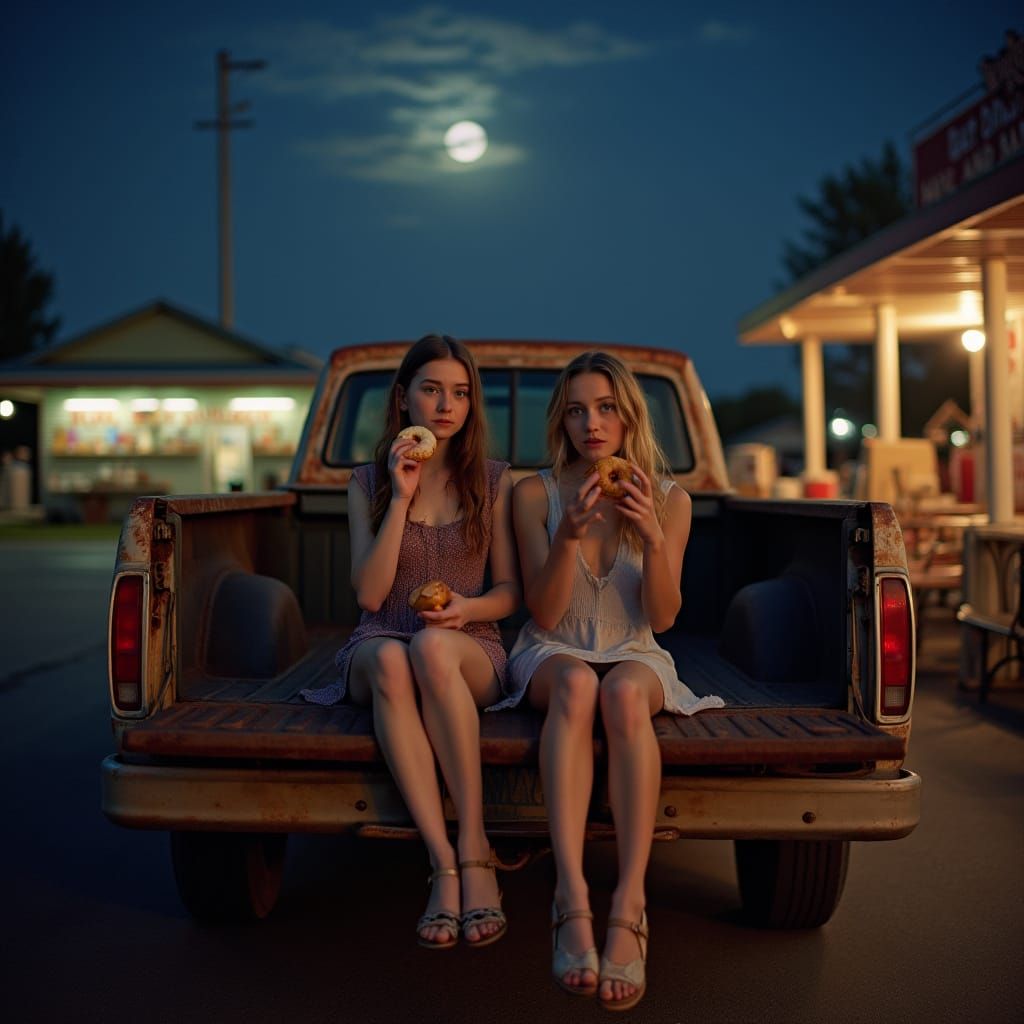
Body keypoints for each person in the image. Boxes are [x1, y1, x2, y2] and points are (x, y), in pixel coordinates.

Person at [506, 351, 723, 1011]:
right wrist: (567, 537)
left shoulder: (670, 499)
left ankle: (629, 900)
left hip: (633, 647)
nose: (591, 425)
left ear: (628, 416)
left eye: (605, 409)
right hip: (553, 648)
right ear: (561, 421)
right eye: (576, 411)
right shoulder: (535, 494)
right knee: (577, 688)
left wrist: (653, 537)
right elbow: (544, 613)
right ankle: (570, 893)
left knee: (624, 694)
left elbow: (662, 617)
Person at [301, 334, 520, 949]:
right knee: (397, 657)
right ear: (403, 399)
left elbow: (509, 593)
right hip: (381, 638)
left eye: (460, 393)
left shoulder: (495, 481)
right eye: (431, 390)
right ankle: (442, 862)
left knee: (427, 649)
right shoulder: (366, 482)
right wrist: (400, 496)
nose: (446, 406)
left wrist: (466, 609)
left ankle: (473, 845)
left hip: (468, 643)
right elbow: (370, 597)